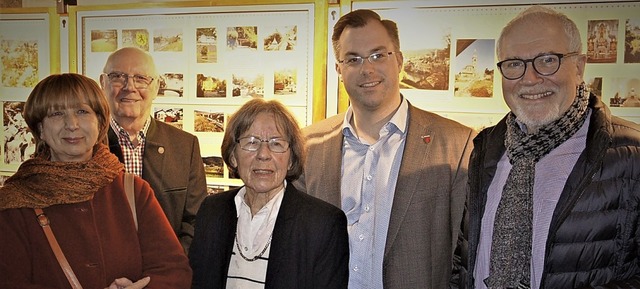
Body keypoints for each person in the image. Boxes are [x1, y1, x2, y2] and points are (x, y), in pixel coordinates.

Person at [293, 9, 475, 288]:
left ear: (399, 60)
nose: (367, 69)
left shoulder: (456, 145)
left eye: (378, 55)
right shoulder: (309, 145)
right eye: (353, 59)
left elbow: (465, 255)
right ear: (339, 69)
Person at [466, 5, 640, 289]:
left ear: (580, 67)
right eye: (513, 63)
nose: (530, 78)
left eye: (547, 60)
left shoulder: (631, 154)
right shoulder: (486, 148)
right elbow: (466, 260)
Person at [0, 73, 192, 288]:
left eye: (82, 112)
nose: (71, 124)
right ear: (40, 129)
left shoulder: (133, 190)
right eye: (56, 113)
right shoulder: (14, 203)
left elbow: (173, 270)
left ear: (100, 122)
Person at [189, 98, 349, 289]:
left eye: (276, 144)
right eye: (251, 142)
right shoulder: (212, 211)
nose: (263, 154)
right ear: (233, 156)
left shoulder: (323, 224)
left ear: (290, 159)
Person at [100, 47, 207, 253]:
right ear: (103, 83)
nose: (129, 87)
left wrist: (168, 269)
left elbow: (195, 221)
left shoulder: (185, 146)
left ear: (156, 86)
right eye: (118, 77)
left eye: (141, 78)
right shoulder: (88, 147)